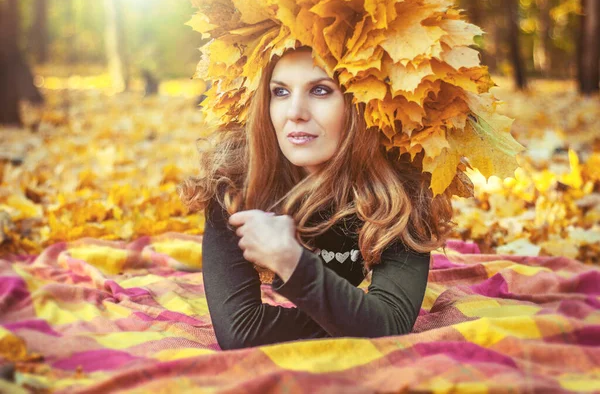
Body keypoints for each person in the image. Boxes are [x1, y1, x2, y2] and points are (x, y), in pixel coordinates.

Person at [177, 46, 455, 350]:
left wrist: (292, 262)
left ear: (364, 102)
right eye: (280, 92)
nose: (295, 112)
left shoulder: (403, 187)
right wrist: (361, 318)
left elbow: (391, 326)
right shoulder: (235, 181)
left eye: (321, 90)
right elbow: (241, 331)